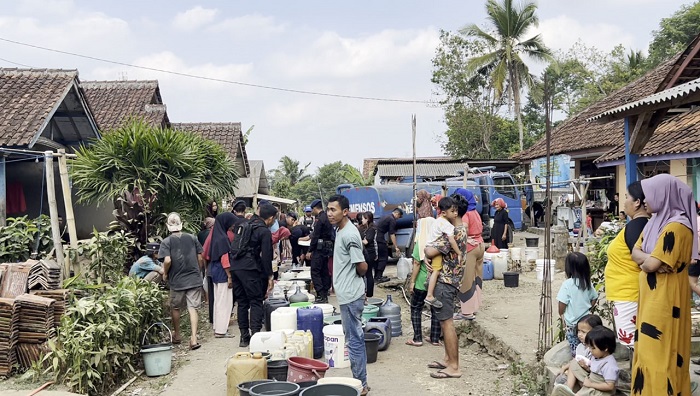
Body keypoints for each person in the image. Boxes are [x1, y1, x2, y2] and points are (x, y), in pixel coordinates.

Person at [630, 174, 696, 395]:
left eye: (649, 194)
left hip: (665, 300)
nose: (645, 200)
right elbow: (635, 253)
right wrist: (649, 260)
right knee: (647, 352)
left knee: (661, 353)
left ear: (663, 195)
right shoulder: (653, 225)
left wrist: (649, 262)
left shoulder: (677, 227)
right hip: (651, 299)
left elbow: (650, 264)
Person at [326, 194, 370, 395]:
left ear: (345, 211)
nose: (329, 213)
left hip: (351, 295)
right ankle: (361, 382)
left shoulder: (350, 234)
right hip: (348, 293)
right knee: (352, 338)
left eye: (333, 210)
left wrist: (359, 284)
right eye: (328, 210)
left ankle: (360, 384)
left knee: (354, 340)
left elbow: (361, 265)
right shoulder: (340, 230)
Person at [424, 194, 468, 380]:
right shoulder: (459, 229)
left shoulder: (455, 233)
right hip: (450, 281)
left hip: (446, 282)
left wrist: (427, 252)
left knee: (447, 322)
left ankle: (454, 366)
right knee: (444, 321)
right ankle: (448, 359)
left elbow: (429, 250)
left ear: (453, 211)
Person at [603, 181, 648, 350]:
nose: (624, 202)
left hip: (630, 295)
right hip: (628, 293)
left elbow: (643, 259)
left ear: (637, 202)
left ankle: (641, 376)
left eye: (627, 197)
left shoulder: (637, 226)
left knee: (634, 344)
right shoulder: (637, 225)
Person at [232, 204, 276, 347]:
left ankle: (244, 337)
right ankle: (256, 336)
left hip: (236, 267)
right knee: (256, 301)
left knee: (242, 302)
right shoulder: (263, 231)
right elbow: (266, 256)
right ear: (270, 218)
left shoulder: (244, 224)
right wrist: (269, 276)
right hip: (250, 268)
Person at [159, 213, 204, 350]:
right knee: (193, 308)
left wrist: (165, 273)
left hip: (177, 280)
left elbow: (167, 260)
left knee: (176, 307)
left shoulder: (166, 242)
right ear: (181, 224)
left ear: (168, 226)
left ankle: (177, 335)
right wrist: (198, 270)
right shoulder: (192, 237)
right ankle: (194, 338)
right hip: (194, 278)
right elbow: (200, 258)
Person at [552, 326, 619, 396]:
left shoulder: (609, 365)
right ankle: (568, 388)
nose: (590, 350)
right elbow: (595, 370)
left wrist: (591, 384)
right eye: (589, 347)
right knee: (574, 363)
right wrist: (586, 368)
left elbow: (610, 386)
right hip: (591, 380)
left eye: (593, 348)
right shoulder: (597, 356)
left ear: (605, 348)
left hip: (601, 391)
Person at [406, 216, 441, 347]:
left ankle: (417, 338)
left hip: (421, 283)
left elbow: (416, 264)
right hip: (436, 282)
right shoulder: (439, 242)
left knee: (416, 308)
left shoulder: (420, 243)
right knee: (435, 309)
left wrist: (412, 282)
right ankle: (435, 338)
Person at [423, 197, 462, 308]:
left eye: (456, 211)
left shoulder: (439, 220)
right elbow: (451, 240)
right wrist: (459, 253)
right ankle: (429, 295)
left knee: (433, 270)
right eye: (452, 211)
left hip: (430, 246)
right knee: (436, 270)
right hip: (436, 249)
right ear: (444, 213)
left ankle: (429, 287)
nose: (455, 213)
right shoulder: (447, 225)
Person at [203, 212, 237, 338]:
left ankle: (218, 327)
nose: (232, 226)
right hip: (222, 272)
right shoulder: (223, 239)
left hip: (214, 270)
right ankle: (222, 331)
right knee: (224, 301)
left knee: (218, 300)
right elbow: (225, 259)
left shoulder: (215, 237)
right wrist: (229, 276)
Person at [557, 252, 598, 357]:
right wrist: (588, 306)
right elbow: (594, 297)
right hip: (587, 321)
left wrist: (561, 315)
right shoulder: (587, 282)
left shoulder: (567, 284)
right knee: (588, 346)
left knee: (575, 348)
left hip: (572, 324)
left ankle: (578, 365)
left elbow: (562, 303)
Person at [453, 188, 484, 321]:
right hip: (480, 245)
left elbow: (464, 228)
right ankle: (474, 307)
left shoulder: (465, 214)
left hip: (471, 247)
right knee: (477, 277)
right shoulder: (475, 211)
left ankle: (466, 312)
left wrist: (464, 240)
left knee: (466, 279)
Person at [556, 314, 603, 386]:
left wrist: (586, 368)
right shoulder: (580, 346)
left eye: (583, 332)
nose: (579, 335)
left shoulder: (596, 350)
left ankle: (568, 389)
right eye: (579, 331)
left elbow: (596, 370)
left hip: (590, 377)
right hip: (580, 373)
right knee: (560, 379)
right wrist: (564, 368)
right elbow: (576, 359)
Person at [306, 199, 334, 303]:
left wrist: (310, 250)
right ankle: (325, 291)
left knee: (315, 271)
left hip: (319, 248)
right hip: (327, 248)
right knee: (324, 271)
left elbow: (316, 236)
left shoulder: (319, 220)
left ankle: (320, 294)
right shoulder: (328, 217)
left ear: (314, 208)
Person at [375, 208, 404, 283]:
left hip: (376, 237)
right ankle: (378, 277)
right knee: (383, 257)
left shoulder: (387, 217)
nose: (398, 219)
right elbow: (392, 234)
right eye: (399, 217)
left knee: (379, 258)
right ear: (397, 214)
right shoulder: (392, 220)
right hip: (379, 238)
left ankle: (377, 276)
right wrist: (396, 247)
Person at [361, 211, 378, 298]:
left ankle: (369, 293)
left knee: (368, 273)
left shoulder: (371, 229)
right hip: (369, 252)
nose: (362, 220)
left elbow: (367, 241)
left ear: (367, 219)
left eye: (363, 218)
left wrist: (358, 241)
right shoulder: (368, 228)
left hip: (370, 253)